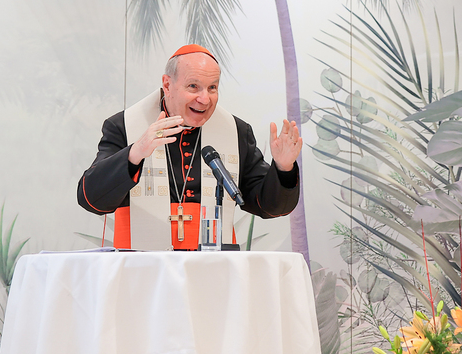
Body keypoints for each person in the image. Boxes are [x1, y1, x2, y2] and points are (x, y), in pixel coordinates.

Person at [77, 44, 302, 250]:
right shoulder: (123, 126)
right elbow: (91, 200)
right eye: (193, 86)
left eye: (212, 88)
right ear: (167, 84)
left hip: (213, 270)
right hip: (142, 269)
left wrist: (284, 168)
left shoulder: (236, 132)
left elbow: (267, 205)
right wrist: (135, 153)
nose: (204, 99)